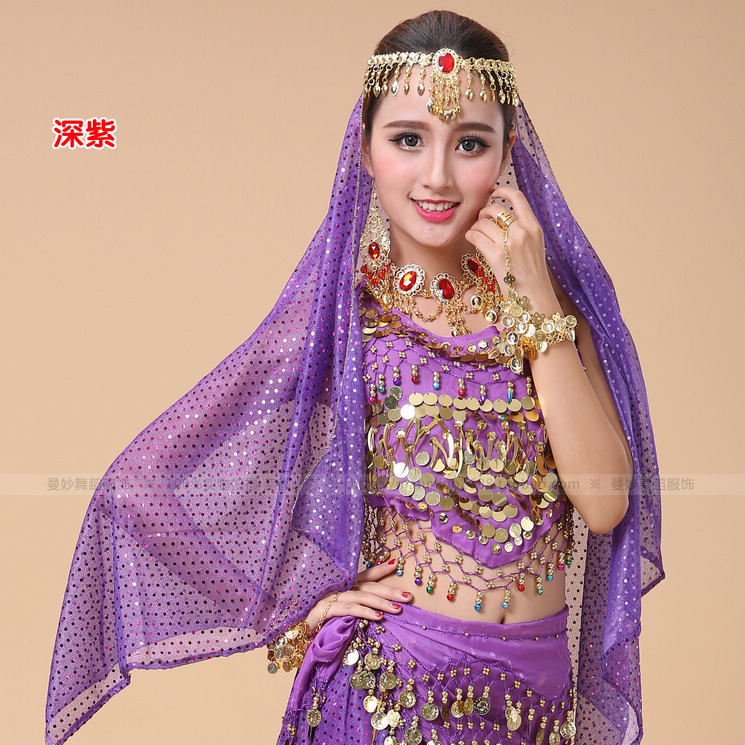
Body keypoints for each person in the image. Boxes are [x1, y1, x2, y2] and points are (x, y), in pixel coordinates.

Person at [45, 10, 662, 745]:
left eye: (470, 143)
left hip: (536, 709)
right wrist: (295, 607)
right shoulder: (340, 327)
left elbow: (604, 503)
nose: (437, 176)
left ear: (506, 157)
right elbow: (139, 490)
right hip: (387, 699)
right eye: (407, 139)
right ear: (366, 151)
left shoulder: (555, 316)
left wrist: (533, 303)